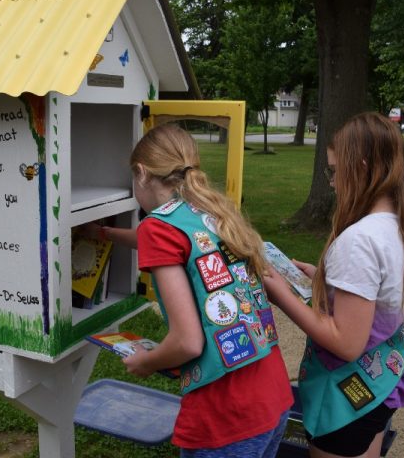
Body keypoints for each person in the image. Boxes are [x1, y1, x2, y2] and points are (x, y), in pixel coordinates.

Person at [118, 123, 293, 457]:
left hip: (224, 414)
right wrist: (106, 234)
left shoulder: (156, 228)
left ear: (141, 173)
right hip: (271, 398)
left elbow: (187, 342)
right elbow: (178, 245)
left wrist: (148, 362)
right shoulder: (211, 210)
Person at [262, 112, 404, 458]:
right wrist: (325, 280)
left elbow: (346, 343)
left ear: (362, 168)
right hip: (378, 391)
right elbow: (380, 296)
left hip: (345, 402)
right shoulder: (402, 227)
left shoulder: (360, 240)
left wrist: (280, 294)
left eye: (335, 170)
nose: (332, 182)